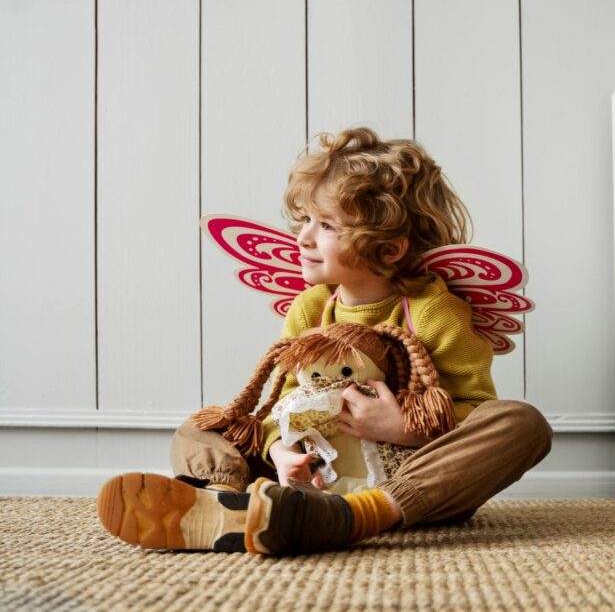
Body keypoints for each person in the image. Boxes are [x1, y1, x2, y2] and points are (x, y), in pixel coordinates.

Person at [96, 126, 553, 555]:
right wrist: (281, 450)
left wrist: (403, 430)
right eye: (305, 219)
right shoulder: (310, 308)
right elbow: (285, 401)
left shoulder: (438, 312)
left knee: (522, 423)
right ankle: (224, 503)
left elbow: (475, 411)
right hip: (315, 476)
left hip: (409, 482)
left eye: (328, 226)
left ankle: (355, 517)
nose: (303, 237)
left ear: (389, 248)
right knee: (203, 426)